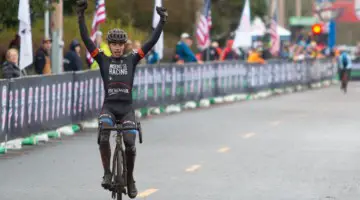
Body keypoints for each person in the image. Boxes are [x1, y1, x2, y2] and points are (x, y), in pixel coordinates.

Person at [76, 0, 167, 198]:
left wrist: (161, 22)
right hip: (109, 107)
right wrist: (81, 17)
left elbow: (150, 43)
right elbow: (86, 39)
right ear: (109, 45)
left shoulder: (132, 58)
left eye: (120, 44)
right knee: (103, 135)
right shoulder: (102, 59)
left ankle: (130, 178)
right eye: (114, 44)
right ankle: (108, 173)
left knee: (130, 143)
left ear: (124, 45)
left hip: (126, 109)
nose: (117, 47)